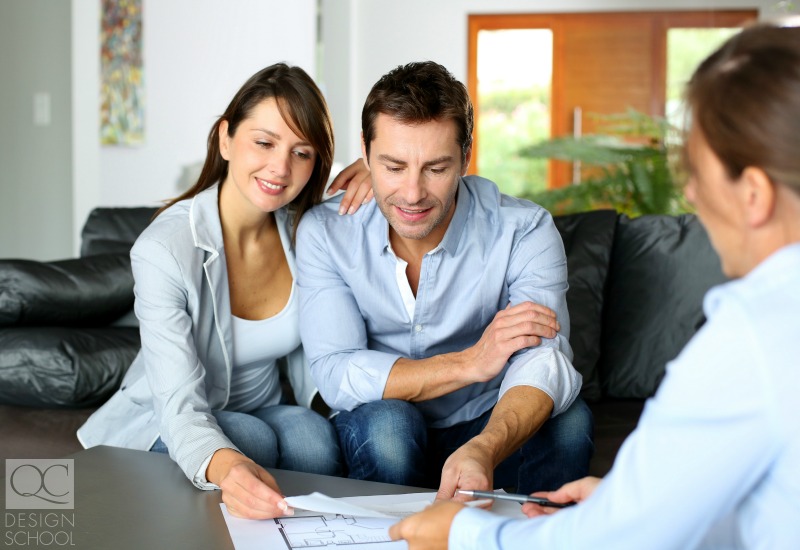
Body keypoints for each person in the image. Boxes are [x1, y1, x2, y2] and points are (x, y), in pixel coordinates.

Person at [390, 22, 800, 549]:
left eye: (698, 171)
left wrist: (463, 532)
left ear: (754, 194)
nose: (692, 194)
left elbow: (617, 542)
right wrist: (633, 501)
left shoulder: (753, 338)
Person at [78, 63, 372, 520]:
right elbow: (178, 404)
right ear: (226, 138)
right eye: (264, 142)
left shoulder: (304, 227)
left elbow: (403, 193)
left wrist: (377, 170)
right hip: (175, 417)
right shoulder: (163, 249)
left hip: (267, 408)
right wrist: (227, 464)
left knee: (313, 441)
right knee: (245, 440)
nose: (281, 167)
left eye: (302, 152)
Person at [295, 60, 594, 500]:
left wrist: (485, 449)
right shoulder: (327, 231)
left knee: (569, 423)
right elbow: (335, 369)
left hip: (486, 418)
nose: (413, 194)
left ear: (466, 157)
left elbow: (544, 359)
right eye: (393, 166)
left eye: (435, 168)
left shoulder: (523, 229)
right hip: (385, 423)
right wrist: (470, 362)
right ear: (365, 151)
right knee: (390, 427)